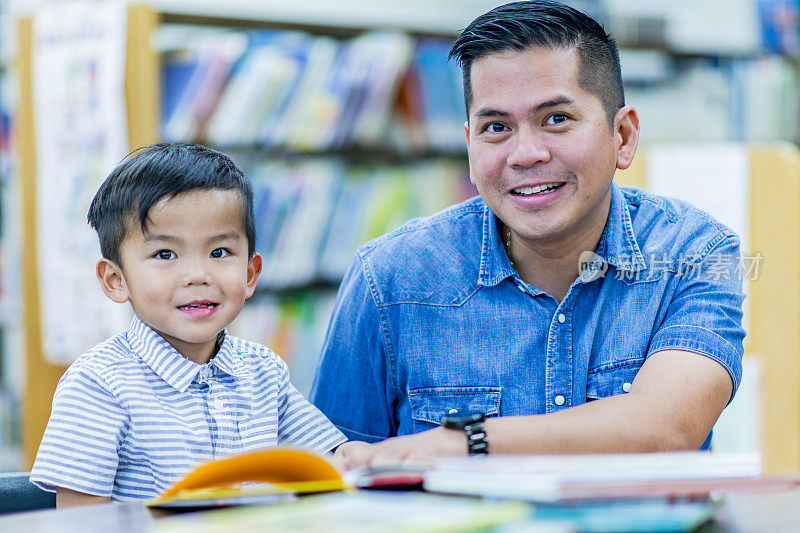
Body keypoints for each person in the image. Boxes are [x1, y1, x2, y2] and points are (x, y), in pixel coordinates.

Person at [310, 0, 745, 467]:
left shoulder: (697, 254)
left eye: (556, 119)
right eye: (496, 127)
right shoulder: (388, 277)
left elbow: (666, 427)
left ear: (623, 135)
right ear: (470, 146)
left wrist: (462, 442)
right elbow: (332, 471)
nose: (526, 154)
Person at [30, 143, 348, 506]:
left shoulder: (264, 371)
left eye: (219, 252)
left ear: (249, 273)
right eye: (165, 254)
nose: (198, 276)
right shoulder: (99, 383)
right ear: (116, 280)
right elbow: (78, 525)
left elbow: (335, 464)